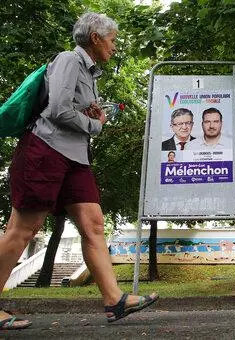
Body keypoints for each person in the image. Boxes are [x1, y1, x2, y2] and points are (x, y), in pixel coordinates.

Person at [0, 12, 157, 330]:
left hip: (75, 158)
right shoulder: (69, 60)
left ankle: (115, 300)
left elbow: (69, 106)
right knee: (24, 230)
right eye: (112, 40)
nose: (115, 46)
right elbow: (57, 109)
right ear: (96, 38)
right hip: (45, 151)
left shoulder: (91, 73)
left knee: (94, 225)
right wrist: (94, 123)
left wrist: (90, 112)